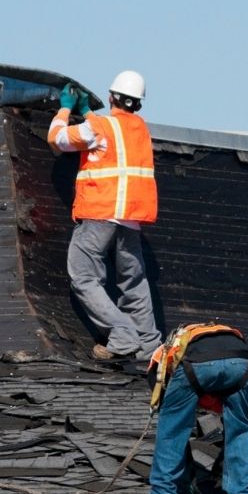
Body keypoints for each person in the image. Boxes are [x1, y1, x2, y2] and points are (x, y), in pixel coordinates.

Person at [47, 70, 162, 361]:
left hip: (100, 212)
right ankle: (150, 346)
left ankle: (122, 335)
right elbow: (111, 137)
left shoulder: (100, 129)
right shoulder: (141, 130)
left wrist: (65, 107)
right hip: (131, 218)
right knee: (134, 282)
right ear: (138, 104)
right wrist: (86, 111)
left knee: (84, 276)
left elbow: (56, 139)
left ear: (111, 97)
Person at [143, 322, 248, 494]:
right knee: (240, 429)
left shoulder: (159, 360)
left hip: (196, 363)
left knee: (171, 429)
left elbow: (170, 414)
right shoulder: (215, 332)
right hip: (239, 361)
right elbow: (217, 397)